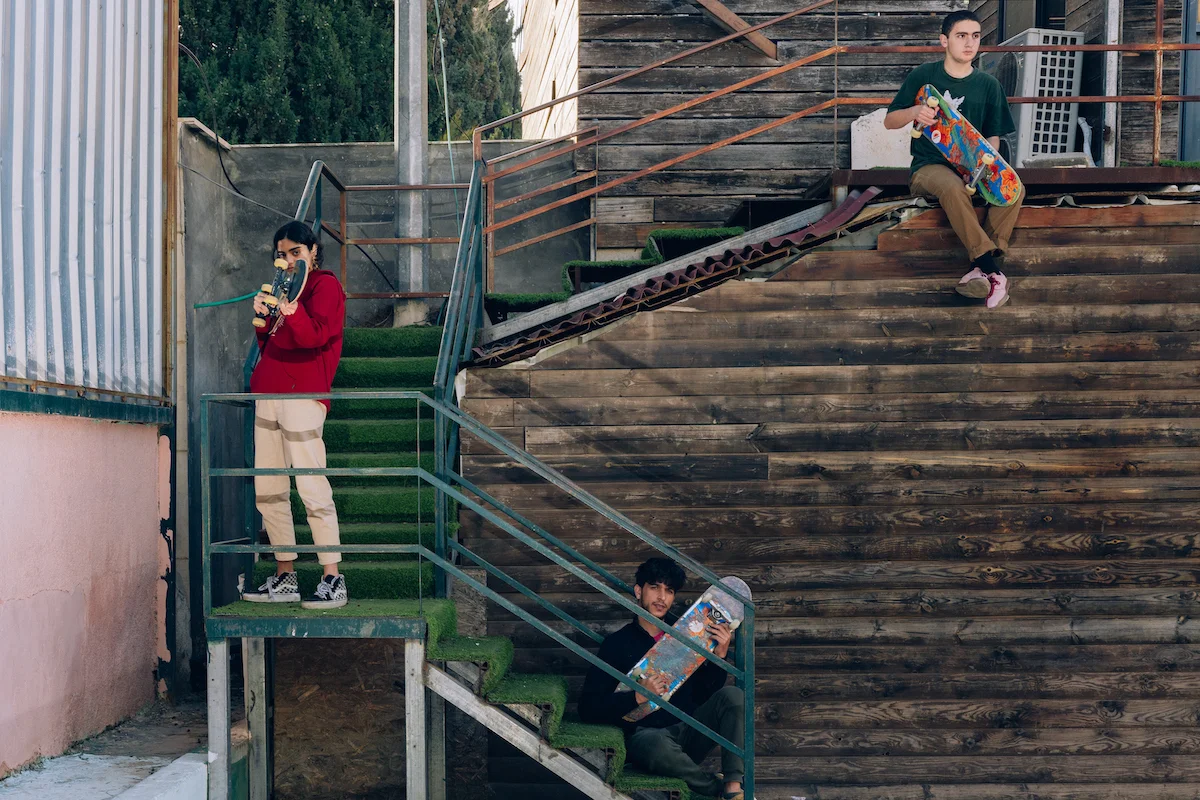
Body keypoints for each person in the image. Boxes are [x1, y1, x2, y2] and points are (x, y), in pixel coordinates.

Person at [883, 9, 1024, 309]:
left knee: (1014, 189)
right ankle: (992, 269)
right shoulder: (924, 76)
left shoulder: (989, 85)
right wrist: (915, 112)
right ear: (944, 40)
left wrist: (983, 168)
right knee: (952, 187)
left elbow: (993, 138)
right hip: (928, 168)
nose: (970, 43)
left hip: (973, 167)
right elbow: (890, 121)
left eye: (975, 36)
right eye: (961, 36)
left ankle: (980, 268)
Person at [241, 220, 348, 609]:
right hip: (268, 391)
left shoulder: (325, 286)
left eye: (296, 252)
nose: (288, 260)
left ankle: (332, 577)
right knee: (269, 488)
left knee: (311, 485)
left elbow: (316, 335)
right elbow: (271, 342)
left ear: (313, 250)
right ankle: (285, 574)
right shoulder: (282, 287)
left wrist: (293, 312)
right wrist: (266, 318)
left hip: (303, 394)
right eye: (282, 254)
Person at [578, 558, 749, 800]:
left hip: (687, 731)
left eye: (669, 590)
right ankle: (715, 790)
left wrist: (718, 658)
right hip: (648, 740)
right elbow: (588, 708)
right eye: (654, 587)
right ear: (639, 591)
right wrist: (636, 697)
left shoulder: (688, 632)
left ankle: (733, 787)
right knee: (654, 744)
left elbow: (702, 694)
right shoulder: (617, 644)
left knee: (734, 696)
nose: (662, 597)